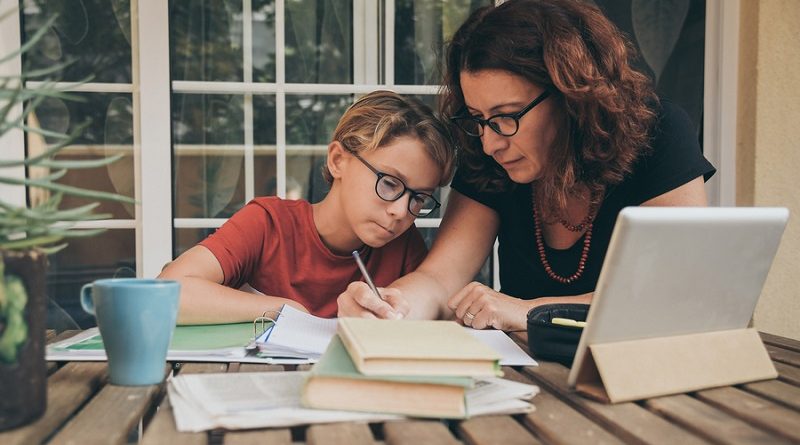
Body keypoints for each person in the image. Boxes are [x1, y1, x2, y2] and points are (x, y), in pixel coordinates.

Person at [336, 0, 716, 331]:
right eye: (478, 118)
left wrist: (528, 311)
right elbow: (439, 279)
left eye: (505, 116)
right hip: (531, 381)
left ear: (571, 95)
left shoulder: (659, 134)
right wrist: (390, 306)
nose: (490, 142)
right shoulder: (489, 154)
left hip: (643, 376)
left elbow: (673, 293)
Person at [160, 91, 455, 324]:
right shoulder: (268, 224)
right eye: (390, 183)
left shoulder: (403, 246)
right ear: (338, 160)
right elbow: (167, 293)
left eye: (419, 198)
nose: (401, 212)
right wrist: (283, 308)